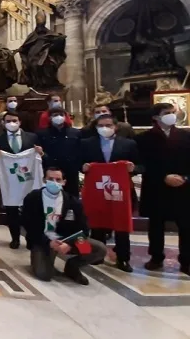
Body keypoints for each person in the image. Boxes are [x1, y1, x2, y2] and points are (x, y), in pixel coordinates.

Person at [21, 167, 107, 285]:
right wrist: (48, 242)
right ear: (44, 180)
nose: (54, 182)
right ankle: (43, 259)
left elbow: (84, 229)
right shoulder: (33, 198)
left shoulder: (73, 202)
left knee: (98, 249)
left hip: (68, 240)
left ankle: (72, 266)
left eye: (58, 179)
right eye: (50, 179)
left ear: (64, 182)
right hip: (43, 241)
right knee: (44, 275)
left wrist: (69, 243)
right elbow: (30, 227)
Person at [135, 103, 190, 275]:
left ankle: (187, 260)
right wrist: (163, 177)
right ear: (156, 117)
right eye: (167, 113)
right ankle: (156, 257)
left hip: (182, 186)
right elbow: (143, 164)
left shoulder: (185, 136)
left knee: (186, 225)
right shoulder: (144, 138)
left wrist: (185, 178)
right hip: (156, 186)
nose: (172, 116)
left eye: (173, 113)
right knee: (156, 225)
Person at [80, 114, 140, 272]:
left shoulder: (128, 144)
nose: (104, 128)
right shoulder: (87, 144)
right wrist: (83, 167)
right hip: (97, 190)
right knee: (97, 223)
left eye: (108, 125)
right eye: (101, 125)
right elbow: (78, 162)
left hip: (119, 190)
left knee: (121, 224)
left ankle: (123, 258)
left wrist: (133, 168)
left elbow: (141, 164)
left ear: (116, 127)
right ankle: (97, 255)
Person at [0, 111, 43, 249]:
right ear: (3, 123)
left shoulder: (32, 137)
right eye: (8, 121)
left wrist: (41, 153)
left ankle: (31, 239)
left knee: (30, 210)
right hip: (10, 181)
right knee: (11, 211)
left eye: (14, 120)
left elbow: (41, 157)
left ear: (20, 122)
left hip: (27, 179)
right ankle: (15, 238)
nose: (11, 123)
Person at [36, 107, 82, 197]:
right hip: (50, 169)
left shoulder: (75, 133)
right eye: (55, 115)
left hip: (70, 171)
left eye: (61, 115)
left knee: (72, 196)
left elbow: (80, 151)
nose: (59, 117)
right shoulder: (41, 134)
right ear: (50, 118)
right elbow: (40, 152)